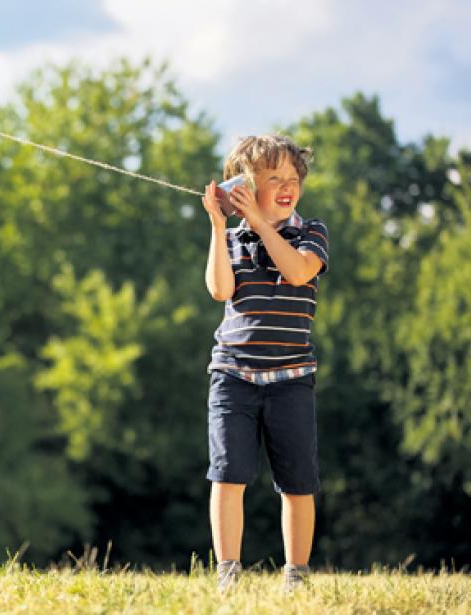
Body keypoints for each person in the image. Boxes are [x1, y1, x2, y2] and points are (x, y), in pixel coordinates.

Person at [200, 135, 328, 592]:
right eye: (273, 178)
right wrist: (219, 227)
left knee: (297, 483)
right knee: (228, 474)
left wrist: (259, 219)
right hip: (233, 377)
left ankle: (296, 576)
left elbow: (296, 272)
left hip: (292, 380)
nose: (286, 184)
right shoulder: (233, 238)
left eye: (292, 178)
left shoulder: (312, 232)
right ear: (245, 186)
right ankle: (228, 574)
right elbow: (219, 289)